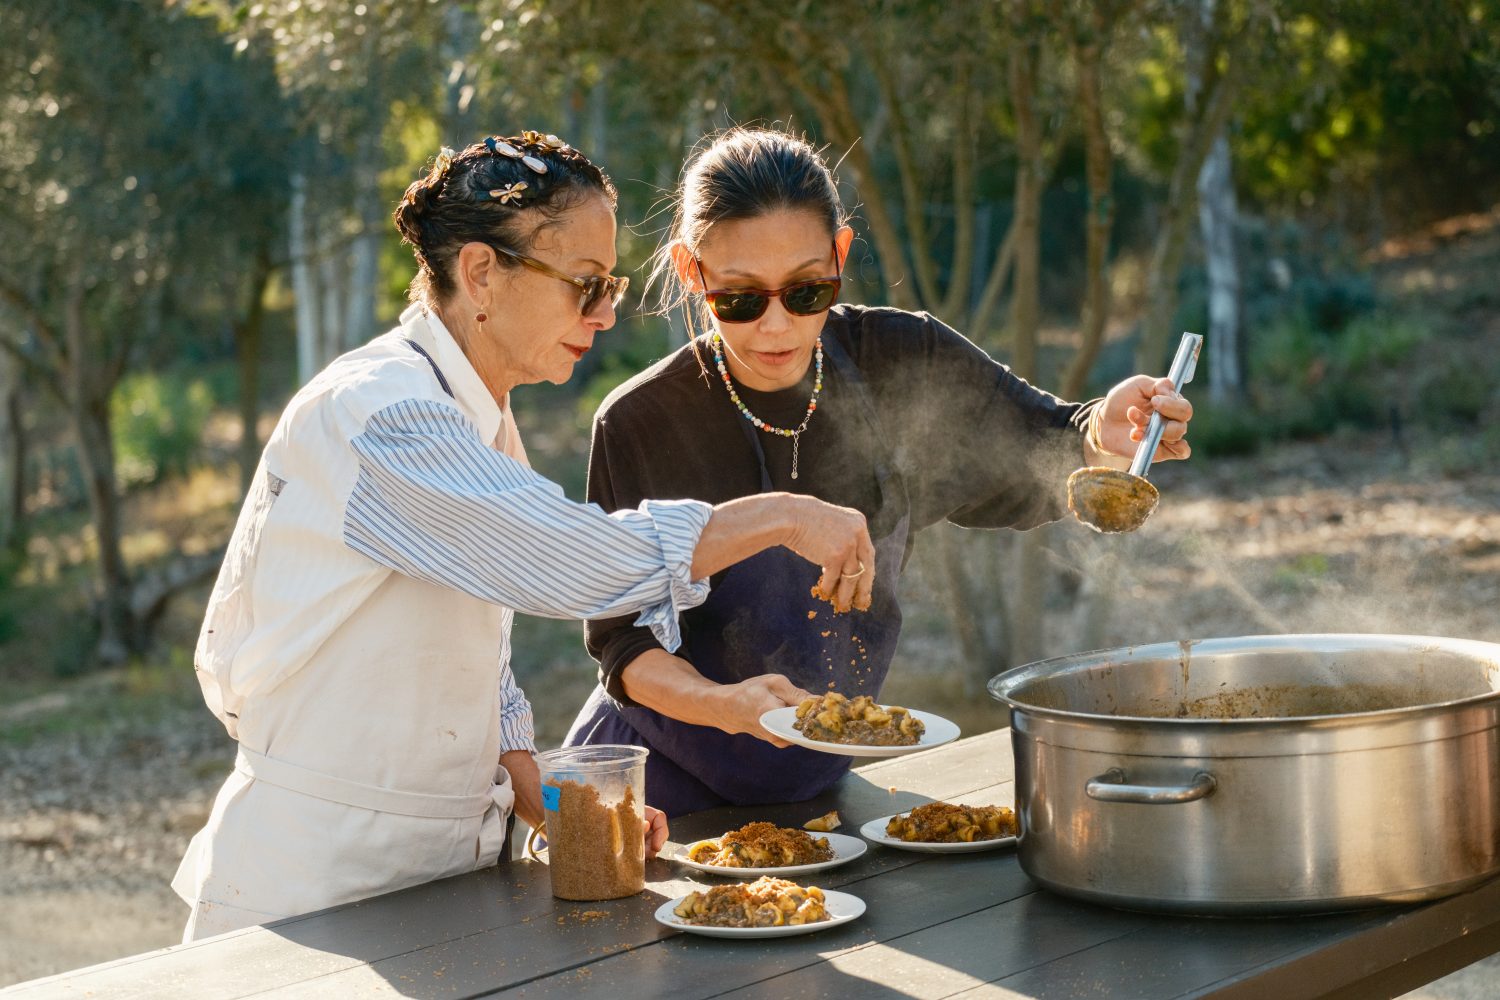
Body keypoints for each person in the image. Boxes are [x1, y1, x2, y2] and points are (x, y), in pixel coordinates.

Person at [171, 131, 875, 941]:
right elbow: (568, 563)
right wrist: (781, 514)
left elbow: (474, 655)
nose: (609, 312)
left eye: (608, 284)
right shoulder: (384, 416)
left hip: (441, 882)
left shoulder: (476, 414)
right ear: (480, 274)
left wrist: (545, 792)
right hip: (318, 891)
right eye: (584, 285)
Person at [564, 127, 1194, 816]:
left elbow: (1047, 442)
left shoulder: (904, 358)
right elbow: (622, 644)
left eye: (807, 291)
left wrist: (1105, 429)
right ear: (693, 273)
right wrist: (721, 705)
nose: (776, 327)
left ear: (840, 254)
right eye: (741, 299)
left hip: (824, 790)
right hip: (657, 795)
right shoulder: (639, 422)